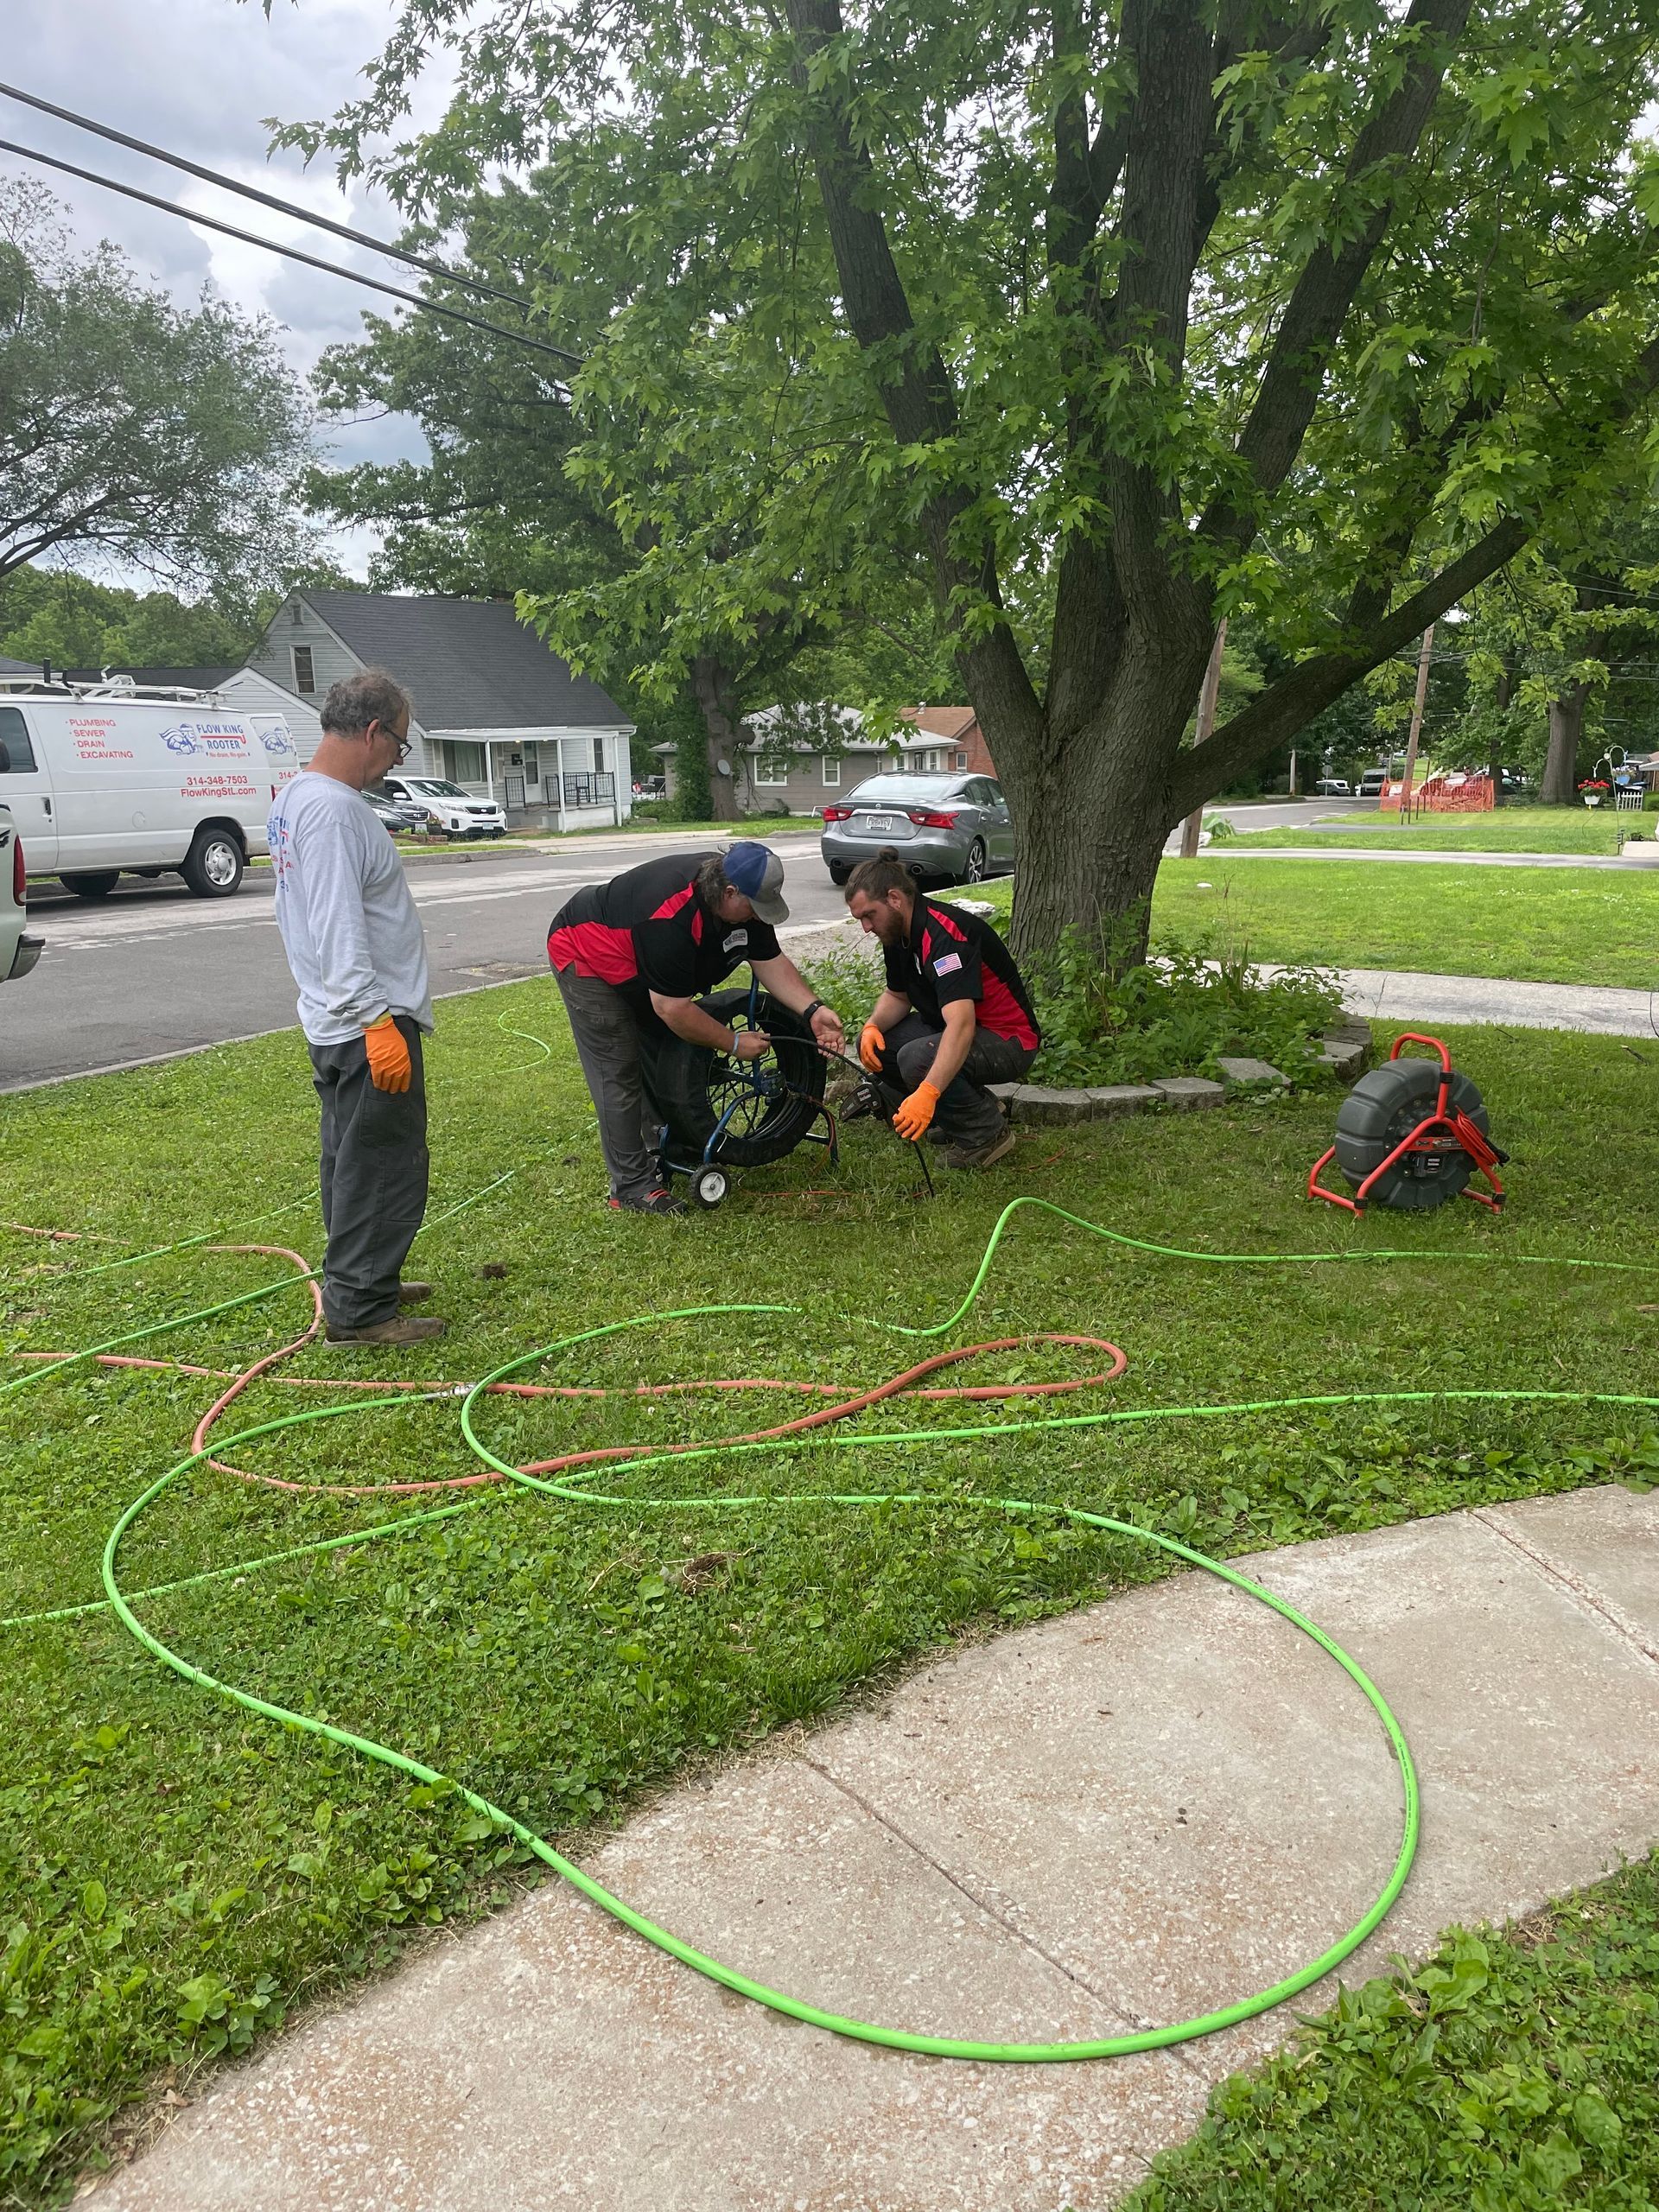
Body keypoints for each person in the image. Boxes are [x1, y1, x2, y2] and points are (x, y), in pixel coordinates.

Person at [266, 671, 443, 1346]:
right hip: (365, 1022)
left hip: (333, 1018)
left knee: (348, 1159)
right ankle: (361, 1311)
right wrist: (375, 1020)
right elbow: (338, 922)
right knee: (383, 1165)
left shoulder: (296, 800)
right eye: (399, 746)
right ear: (373, 731)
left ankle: (362, 1276)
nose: (397, 761)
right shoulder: (336, 810)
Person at [547, 842, 845, 1213]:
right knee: (619, 1068)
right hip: (587, 952)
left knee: (662, 1048)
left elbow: (769, 960)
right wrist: (733, 1042)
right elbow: (672, 1008)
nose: (757, 916)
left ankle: (666, 1145)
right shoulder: (670, 914)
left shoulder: (743, 908)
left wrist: (813, 1008)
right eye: (754, 906)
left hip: (644, 966)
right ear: (730, 891)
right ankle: (631, 1187)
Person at [844, 849, 1039, 1168]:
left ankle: (986, 1135)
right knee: (880, 1045)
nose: (866, 927)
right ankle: (972, 1109)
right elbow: (897, 996)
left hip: (1010, 1040)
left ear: (895, 899)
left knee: (916, 1058)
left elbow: (961, 1025)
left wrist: (929, 1092)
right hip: (964, 1028)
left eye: (869, 915)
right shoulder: (897, 934)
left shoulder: (945, 936)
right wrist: (871, 1026)